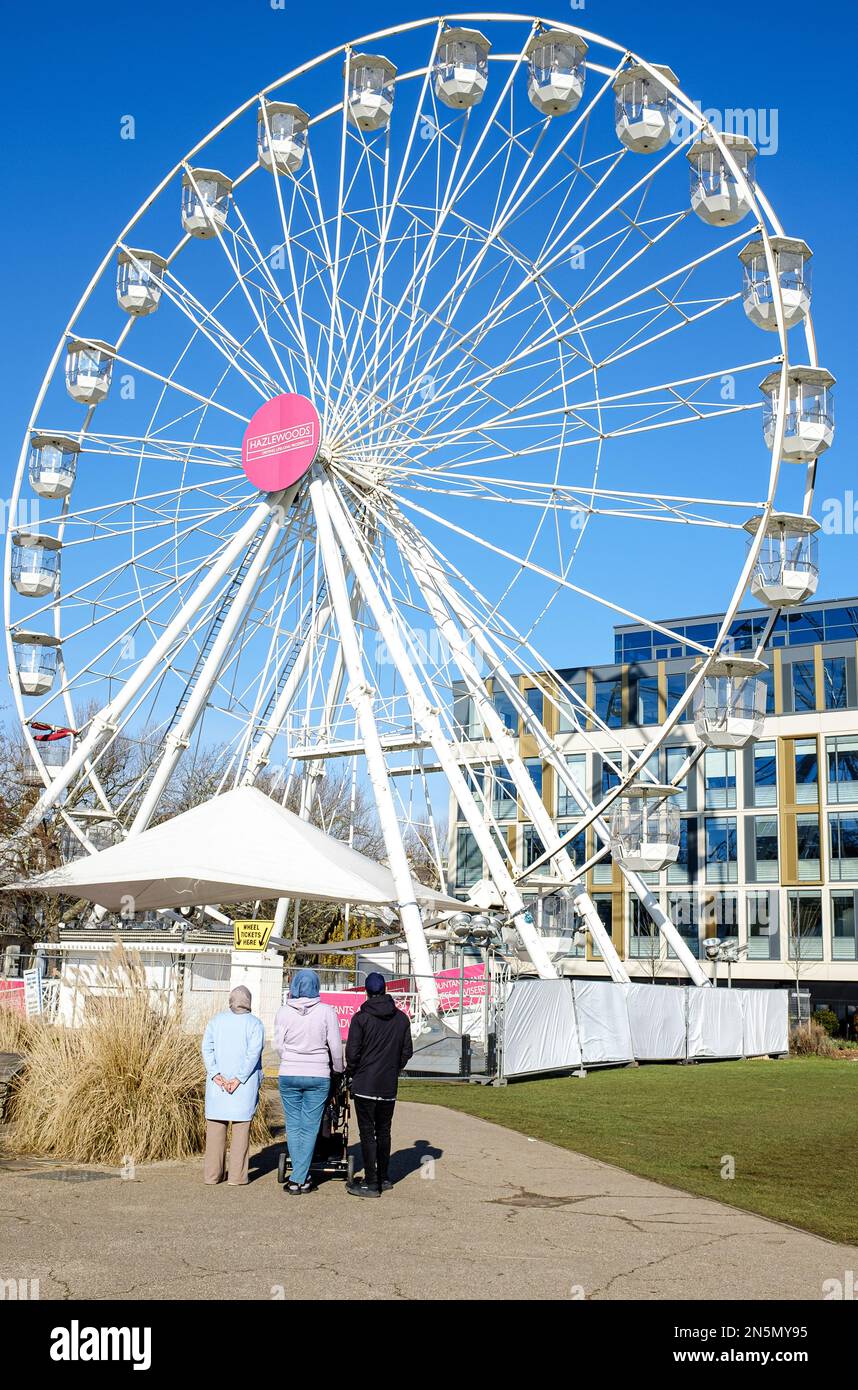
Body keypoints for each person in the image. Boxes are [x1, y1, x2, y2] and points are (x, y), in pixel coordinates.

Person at [274, 968, 343, 1194]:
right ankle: (300, 1179)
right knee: (310, 1125)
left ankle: (298, 1177)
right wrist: (338, 1069)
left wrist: (291, 1059)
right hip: (318, 1073)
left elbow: (278, 1045)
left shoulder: (284, 1012)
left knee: (293, 1126)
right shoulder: (327, 1012)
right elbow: (335, 1045)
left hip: (290, 1072)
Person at [345, 972, 413, 1198]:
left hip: (365, 1083)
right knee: (384, 1131)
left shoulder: (360, 1018)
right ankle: (384, 1176)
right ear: (385, 990)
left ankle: (372, 1181)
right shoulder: (401, 1019)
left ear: (367, 991)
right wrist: (394, 1067)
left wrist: (354, 1071)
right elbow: (407, 1051)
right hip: (387, 1085)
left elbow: (352, 1053)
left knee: (367, 1133)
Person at [201, 985, 265, 1187]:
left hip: (217, 1086)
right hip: (242, 1087)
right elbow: (253, 1054)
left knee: (215, 1133)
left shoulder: (216, 1021)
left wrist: (216, 1075)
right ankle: (237, 1177)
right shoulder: (255, 1024)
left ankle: (212, 1176)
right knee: (240, 1133)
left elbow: (207, 1048)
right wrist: (238, 1078)